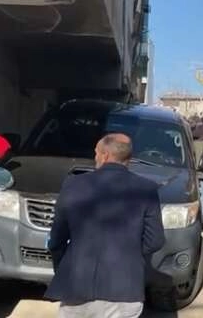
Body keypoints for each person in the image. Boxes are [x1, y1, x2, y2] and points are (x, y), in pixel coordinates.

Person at [45, 133, 165, 318]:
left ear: (105, 155)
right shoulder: (146, 189)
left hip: (77, 283)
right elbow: (155, 240)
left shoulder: (74, 184)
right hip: (125, 287)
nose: (95, 158)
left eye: (96, 153)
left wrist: (63, 268)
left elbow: (56, 240)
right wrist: (129, 254)